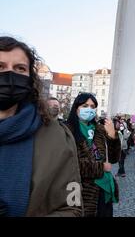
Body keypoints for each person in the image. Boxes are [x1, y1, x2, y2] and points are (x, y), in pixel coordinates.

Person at [0, 36, 82, 216]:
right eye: (0, 67)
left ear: (30, 79)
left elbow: (72, 208)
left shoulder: (58, 136)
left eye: (20, 68)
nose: (9, 75)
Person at [66, 93, 121, 217]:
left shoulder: (99, 129)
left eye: (92, 106)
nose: (89, 109)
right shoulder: (67, 130)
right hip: (81, 191)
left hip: (104, 188)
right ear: (76, 108)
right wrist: (100, 167)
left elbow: (113, 159)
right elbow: (68, 164)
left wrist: (113, 137)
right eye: (85, 106)